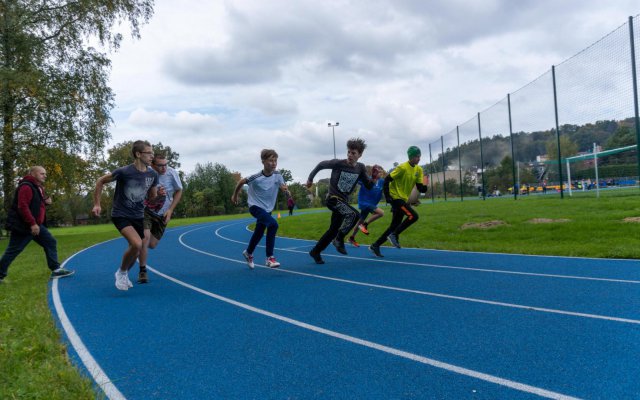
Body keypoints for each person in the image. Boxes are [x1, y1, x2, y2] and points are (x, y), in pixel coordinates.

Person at [92, 140, 161, 291]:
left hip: (138, 215)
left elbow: (151, 198)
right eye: (149, 153)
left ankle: (123, 273)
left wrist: (159, 196)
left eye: (153, 153)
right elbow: (100, 181)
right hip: (121, 214)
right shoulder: (124, 172)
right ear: (138, 154)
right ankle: (122, 273)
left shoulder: (153, 174)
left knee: (136, 249)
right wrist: (97, 204)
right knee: (137, 244)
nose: (152, 156)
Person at [0, 166, 74, 282]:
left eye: (45, 173)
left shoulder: (37, 187)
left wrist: (45, 202)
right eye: (42, 173)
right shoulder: (26, 186)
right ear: (32, 174)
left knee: (50, 242)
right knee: (13, 251)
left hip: (37, 226)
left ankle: (56, 269)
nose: (45, 175)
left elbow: (35, 205)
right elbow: (22, 206)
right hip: (24, 226)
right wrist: (32, 223)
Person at [306, 138, 374, 264]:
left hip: (343, 202)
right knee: (354, 215)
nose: (349, 155)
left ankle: (315, 251)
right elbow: (321, 164)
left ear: (360, 155)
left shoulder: (360, 168)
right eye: (348, 152)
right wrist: (310, 179)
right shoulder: (338, 163)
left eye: (353, 153)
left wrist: (374, 178)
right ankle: (340, 238)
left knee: (332, 230)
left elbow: (369, 186)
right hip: (333, 199)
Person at [231, 149, 290, 269]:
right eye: (270, 160)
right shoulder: (256, 177)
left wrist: (287, 192)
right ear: (263, 162)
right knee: (273, 225)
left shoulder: (278, 175)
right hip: (255, 206)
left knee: (259, 232)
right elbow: (241, 181)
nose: (273, 163)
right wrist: (235, 195)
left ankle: (248, 252)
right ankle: (269, 258)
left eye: (275, 160)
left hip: (267, 209)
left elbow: (284, 188)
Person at [369, 146, 428, 258]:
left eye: (420, 156)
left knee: (394, 225)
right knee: (413, 216)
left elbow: (420, 186)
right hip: (395, 197)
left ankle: (375, 245)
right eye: (417, 156)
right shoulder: (402, 168)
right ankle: (394, 234)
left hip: (403, 199)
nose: (419, 159)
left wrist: (424, 188)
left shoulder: (419, 170)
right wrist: (388, 197)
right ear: (411, 157)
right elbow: (387, 179)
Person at [137, 152, 183, 283]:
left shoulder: (172, 173)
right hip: (147, 211)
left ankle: (138, 243)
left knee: (152, 244)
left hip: (163, 213)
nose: (164, 168)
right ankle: (143, 271)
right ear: (152, 164)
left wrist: (170, 210)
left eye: (166, 165)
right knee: (144, 239)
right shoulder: (146, 172)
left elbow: (179, 190)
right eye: (160, 165)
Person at [348, 165, 384, 247]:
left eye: (381, 172)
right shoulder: (367, 179)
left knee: (360, 221)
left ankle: (351, 238)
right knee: (381, 213)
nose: (380, 174)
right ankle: (365, 225)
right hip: (364, 203)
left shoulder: (382, 181)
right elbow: (357, 179)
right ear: (374, 172)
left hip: (371, 204)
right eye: (379, 172)